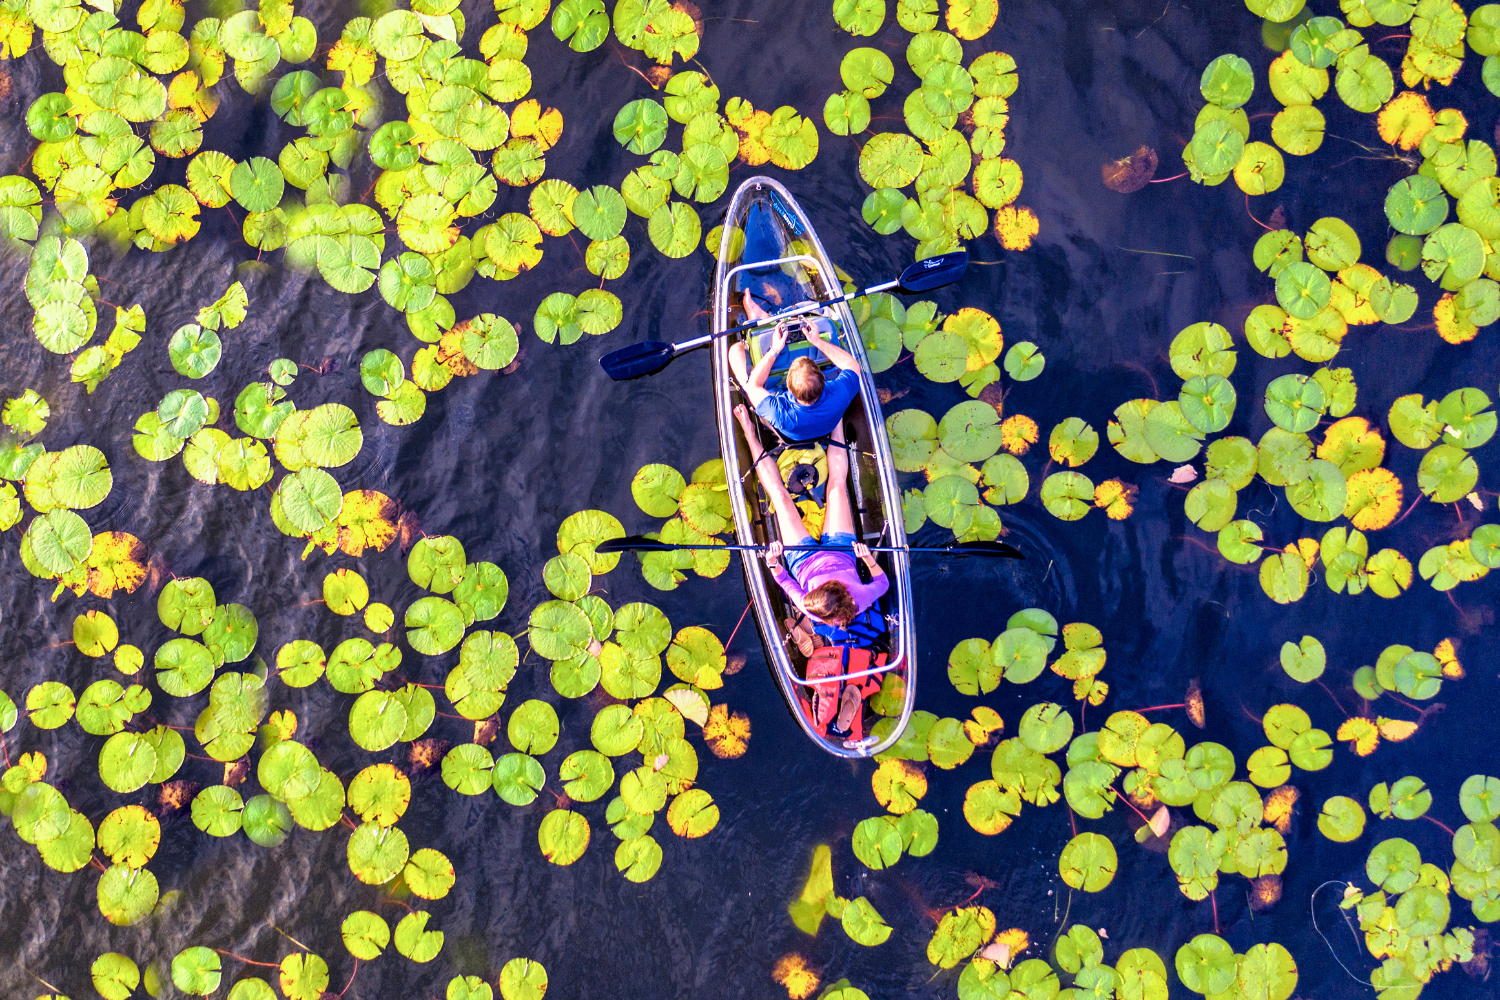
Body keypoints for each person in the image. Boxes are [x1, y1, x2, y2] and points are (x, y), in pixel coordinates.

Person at [733, 403, 888, 732]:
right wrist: (867, 557)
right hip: (842, 548)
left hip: (801, 557)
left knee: (780, 496)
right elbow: (883, 583)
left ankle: (750, 431)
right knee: (836, 487)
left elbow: (782, 578)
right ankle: (837, 417)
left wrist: (774, 557)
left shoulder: (809, 606)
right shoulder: (861, 596)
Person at [728, 290, 861, 443]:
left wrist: (775, 350)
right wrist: (818, 342)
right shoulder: (839, 394)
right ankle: (762, 319)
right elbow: (852, 365)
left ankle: (762, 323)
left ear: (788, 388)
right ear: (823, 379)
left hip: (785, 429)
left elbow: (754, 386)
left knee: (736, 351)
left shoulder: (779, 414)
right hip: (824, 427)